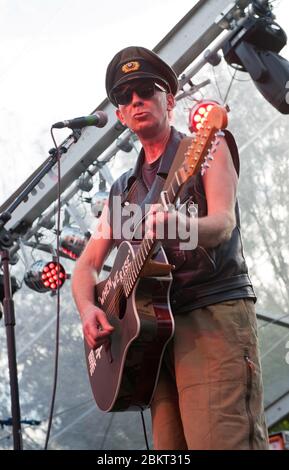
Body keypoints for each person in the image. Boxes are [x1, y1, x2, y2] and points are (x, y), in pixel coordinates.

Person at [71, 46, 269, 450]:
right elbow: (86, 267)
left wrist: (182, 224)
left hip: (209, 313)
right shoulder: (122, 192)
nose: (135, 100)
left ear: (170, 99)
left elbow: (222, 224)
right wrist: (90, 309)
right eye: (124, 97)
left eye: (145, 89)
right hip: (153, 337)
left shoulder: (205, 148)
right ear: (122, 116)